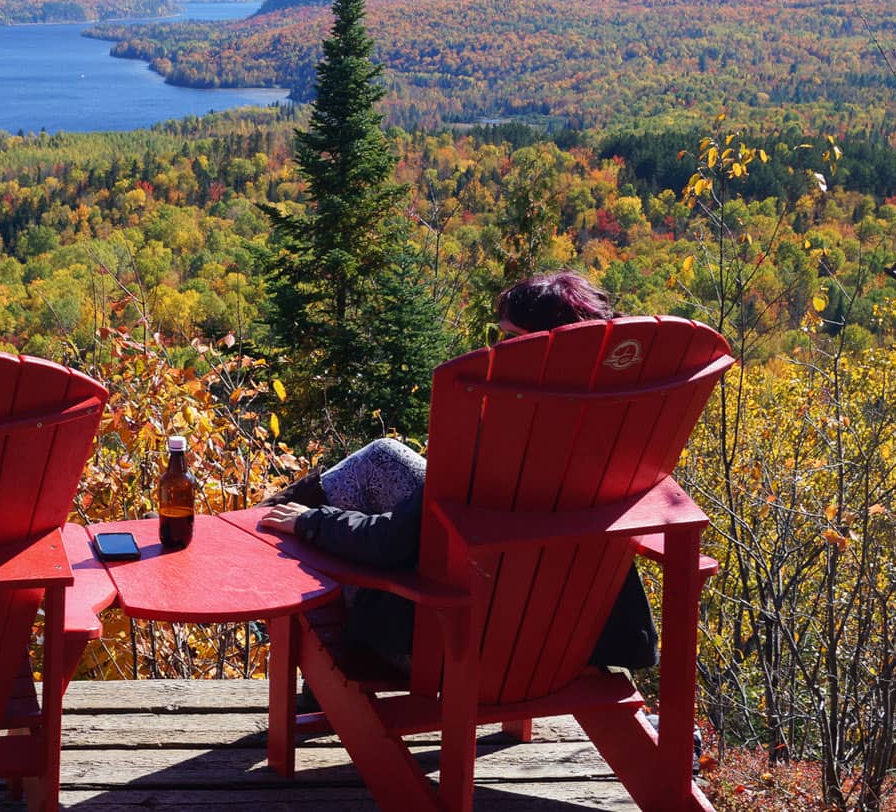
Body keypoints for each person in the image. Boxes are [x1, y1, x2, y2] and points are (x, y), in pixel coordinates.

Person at [259, 271, 658, 678]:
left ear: (542, 351)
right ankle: (267, 514)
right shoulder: (623, 431)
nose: (496, 350)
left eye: (509, 339)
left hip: (464, 652)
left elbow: (390, 543)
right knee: (382, 455)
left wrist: (311, 522)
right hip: (576, 633)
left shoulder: (506, 443)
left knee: (307, 531)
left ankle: (264, 534)